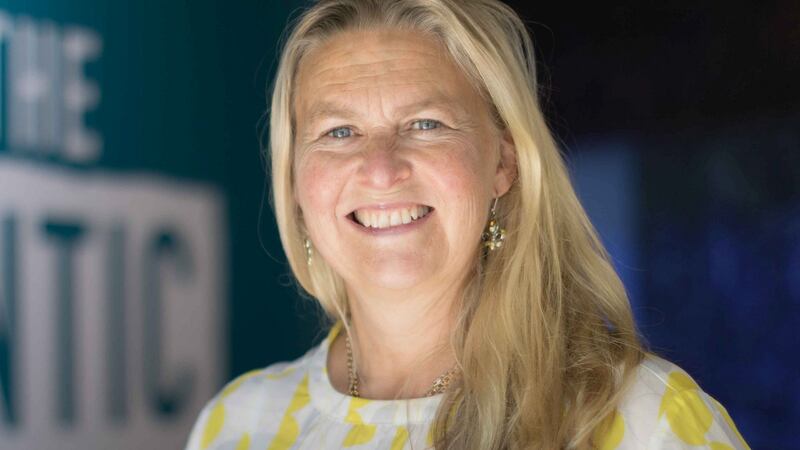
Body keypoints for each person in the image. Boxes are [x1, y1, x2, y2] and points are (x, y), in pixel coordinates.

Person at [186, 0, 750, 448]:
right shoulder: (237, 424)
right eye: (339, 132)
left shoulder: (639, 421)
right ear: (295, 183)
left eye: (426, 123)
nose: (381, 170)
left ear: (503, 163)